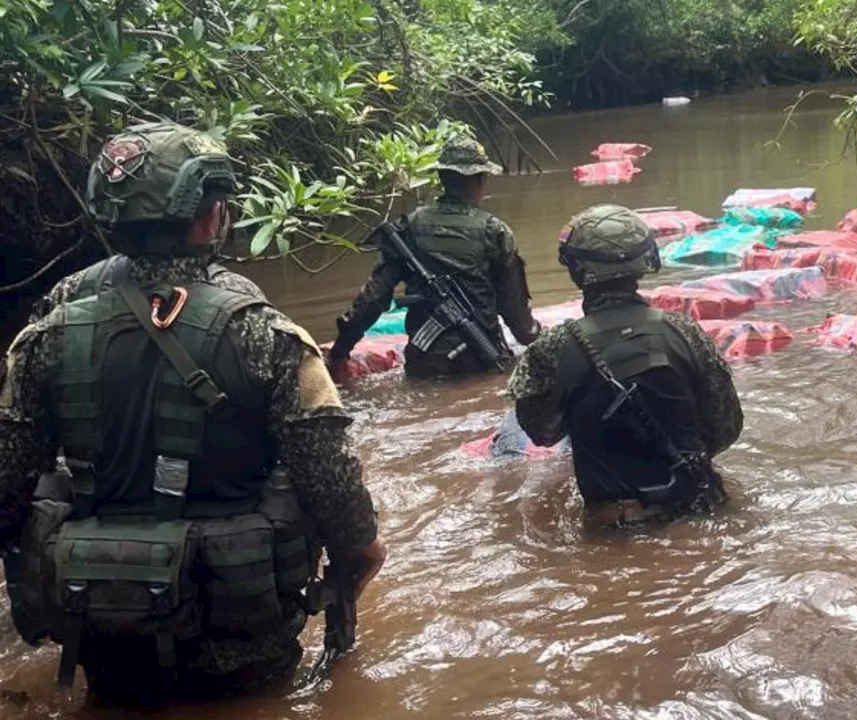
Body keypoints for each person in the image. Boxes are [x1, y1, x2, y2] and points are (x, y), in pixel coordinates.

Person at [0, 122, 385, 705]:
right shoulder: (268, 336)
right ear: (213, 217)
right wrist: (362, 550)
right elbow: (329, 482)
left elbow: (6, 495)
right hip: (246, 641)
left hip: (106, 637)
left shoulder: (42, 338)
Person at [508, 204, 743, 526]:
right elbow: (725, 428)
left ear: (576, 269)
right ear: (645, 261)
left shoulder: (552, 349)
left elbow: (543, 433)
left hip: (614, 528)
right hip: (700, 509)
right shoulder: (685, 332)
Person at [326, 136, 539, 378]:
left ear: (442, 178)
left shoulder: (409, 228)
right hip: (480, 362)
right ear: (479, 180)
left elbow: (372, 300)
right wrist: (539, 339)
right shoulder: (495, 232)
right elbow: (515, 312)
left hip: (423, 364)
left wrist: (339, 353)